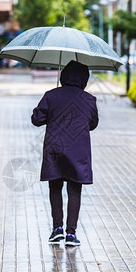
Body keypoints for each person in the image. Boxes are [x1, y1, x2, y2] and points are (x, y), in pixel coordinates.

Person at [31, 60, 99, 246]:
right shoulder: (89, 99)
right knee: (74, 190)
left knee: (55, 188)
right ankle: (71, 234)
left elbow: (37, 119)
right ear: (85, 78)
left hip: (55, 149)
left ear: (63, 76)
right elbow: (92, 124)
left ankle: (57, 229)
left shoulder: (51, 96)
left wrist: (51, 104)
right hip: (78, 151)